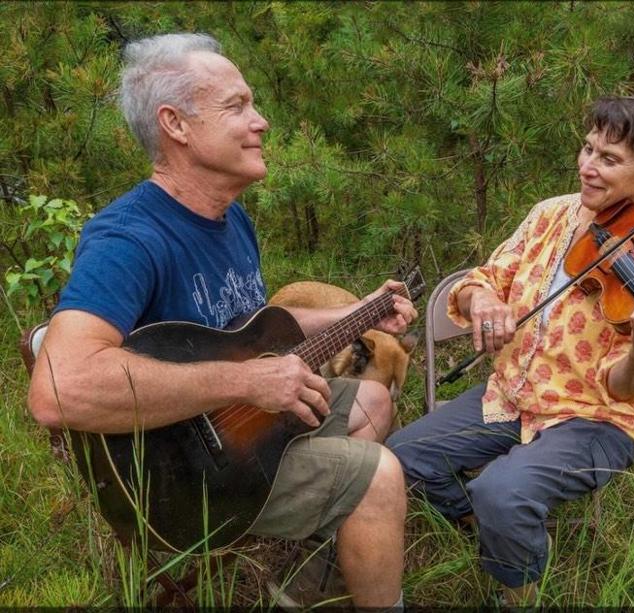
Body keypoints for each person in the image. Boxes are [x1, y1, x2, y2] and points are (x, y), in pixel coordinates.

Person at [27, 33, 416, 610]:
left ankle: (328, 566)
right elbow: (60, 390)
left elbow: (252, 332)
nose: (260, 122)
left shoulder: (229, 220)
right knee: (381, 478)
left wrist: (360, 312)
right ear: (176, 125)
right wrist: (245, 383)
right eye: (236, 106)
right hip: (176, 482)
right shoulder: (128, 238)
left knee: (374, 402)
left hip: (245, 436)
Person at [387, 94, 634, 605]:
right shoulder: (549, 214)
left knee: (504, 492)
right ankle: (481, 521)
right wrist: (483, 297)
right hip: (511, 394)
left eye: (609, 159)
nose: (588, 168)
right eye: (587, 148)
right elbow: (480, 279)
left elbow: (629, 391)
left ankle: (519, 593)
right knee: (402, 458)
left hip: (595, 418)